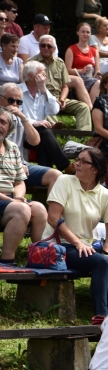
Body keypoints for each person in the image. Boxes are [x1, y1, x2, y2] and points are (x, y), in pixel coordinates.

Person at [43, 148, 108, 317]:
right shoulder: (64, 181)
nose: (76, 164)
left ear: (95, 169)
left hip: (86, 248)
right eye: (77, 160)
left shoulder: (107, 195)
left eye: (82, 161)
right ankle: (102, 317)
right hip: (60, 247)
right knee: (100, 263)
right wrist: (77, 242)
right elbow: (53, 218)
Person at [0, 108, 46, 266]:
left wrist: (18, 197)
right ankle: (7, 261)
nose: (0, 125)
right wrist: (13, 201)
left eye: (3, 122)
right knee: (22, 209)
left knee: (39, 208)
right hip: (5, 200)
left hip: (9, 201)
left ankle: (38, 259)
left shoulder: (12, 148)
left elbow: (19, 182)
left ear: (9, 127)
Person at [0, 83, 62, 194]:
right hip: (6, 165)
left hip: (21, 165)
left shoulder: (18, 118)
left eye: (18, 102)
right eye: (11, 100)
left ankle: (52, 211)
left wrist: (24, 118)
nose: (14, 105)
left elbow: (35, 141)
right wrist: (15, 164)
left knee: (56, 176)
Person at [18, 64, 75, 174]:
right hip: (21, 133)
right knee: (44, 131)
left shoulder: (43, 92)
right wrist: (35, 123)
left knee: (44, 138)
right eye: (42, 75)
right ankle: (65, 165)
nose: (45, 78)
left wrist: (44, 90)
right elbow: (15, 114)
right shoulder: (18, 90)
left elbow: (54, 110)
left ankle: (45, 175)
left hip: (39, 135)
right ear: (30, 76)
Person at [30, 35, 93, 131]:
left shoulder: (60, 62)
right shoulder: (32, 63)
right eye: (43, 45)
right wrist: (50, 98)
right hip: (41, 97)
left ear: (54, 49)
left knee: (83, 107)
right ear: (39, 47)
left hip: (59, 97)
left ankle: (83, 135)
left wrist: (62, 99)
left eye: (49, 46)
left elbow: (65, 86)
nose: (46, 48)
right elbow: (30, 85)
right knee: (44, 104)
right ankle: (54, 127)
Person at [65, 22, 101, 104]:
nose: (85, 34)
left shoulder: (94, 51)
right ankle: (91, 109)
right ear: (78, 33)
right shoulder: (71, 49)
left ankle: (93, 108)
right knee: (93, 82)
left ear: (91, 34)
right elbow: (67, 70)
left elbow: (98, 69)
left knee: (98, 82)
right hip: (76, 77)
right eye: (83, 32)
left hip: (91, 78)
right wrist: (82, 71)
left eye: (88, 32)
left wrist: (97, 74)